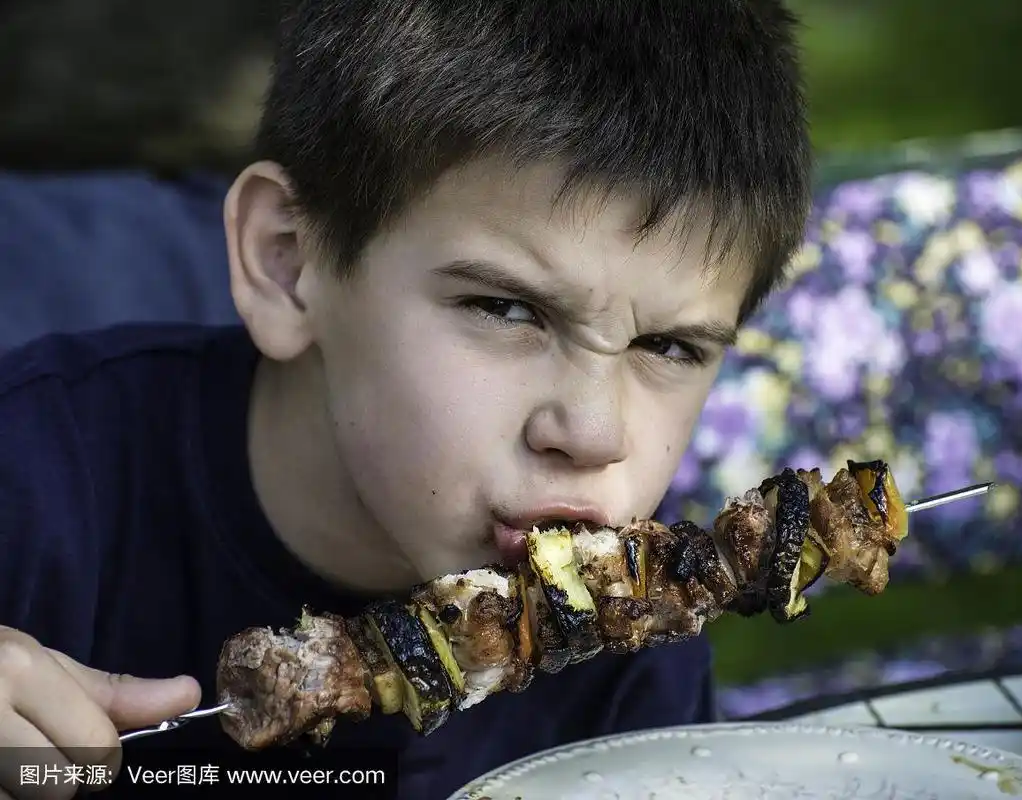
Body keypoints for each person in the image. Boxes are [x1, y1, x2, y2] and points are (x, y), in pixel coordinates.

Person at [0, 0, 811, 797]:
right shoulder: (33, 490)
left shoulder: (633, 656)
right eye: (505, 308)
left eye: (669, 347)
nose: (593, 434)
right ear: (286, 263)